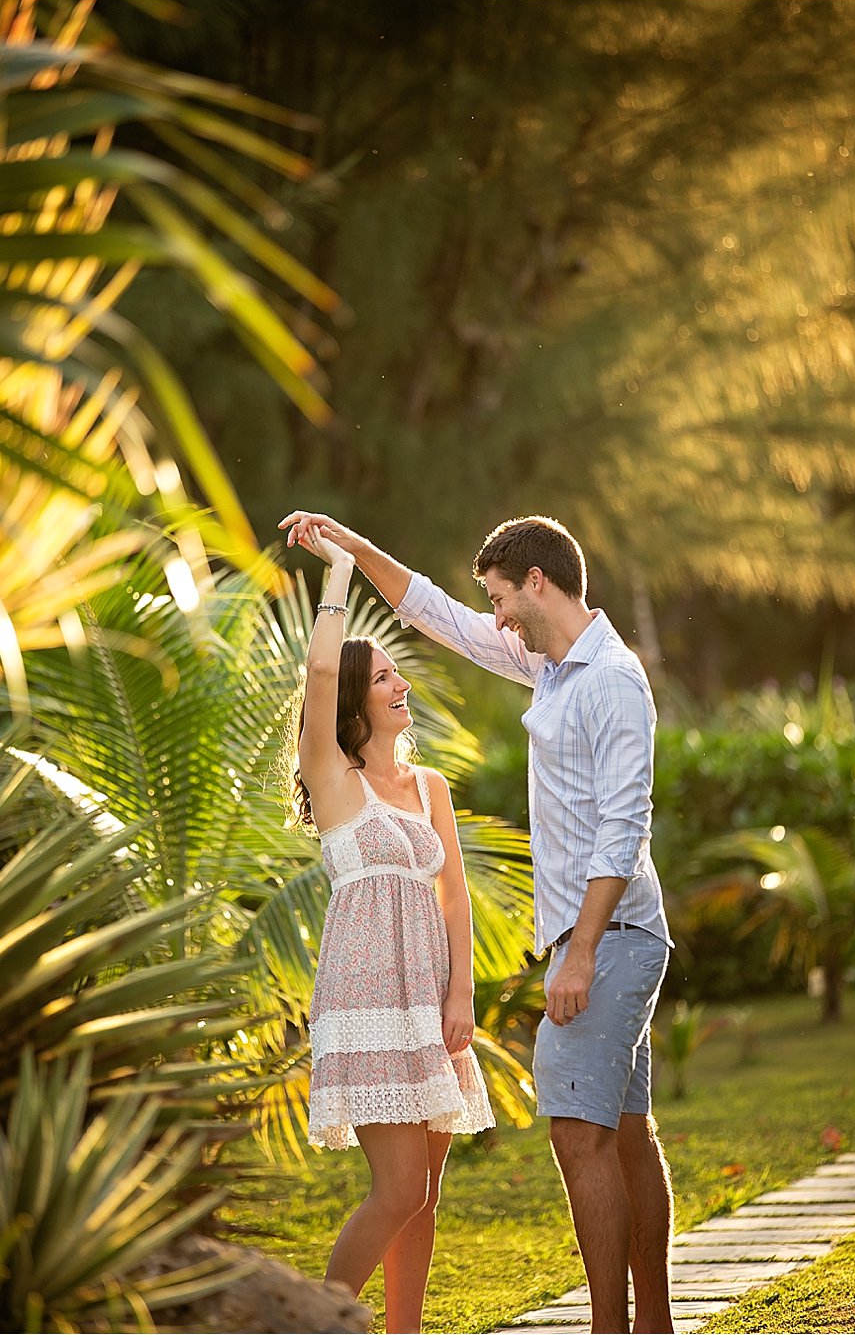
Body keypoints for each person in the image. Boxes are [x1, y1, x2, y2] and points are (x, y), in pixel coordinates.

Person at [280, 508, 675, 1335]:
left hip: (602, 936)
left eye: (500, 596)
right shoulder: (551, 665)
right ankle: (652, 1324)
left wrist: (574, 954)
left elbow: (623, 825)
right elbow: (435, 612)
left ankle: (617, 1328)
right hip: (520, 952)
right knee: (626, 1131)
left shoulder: (607, 678)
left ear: (537, 583)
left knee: (574, 1130)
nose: (494, 616)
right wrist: (351, 553)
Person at [289, 524, 494, 1332]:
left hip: (429, 1001)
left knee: (427, 1192)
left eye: (395, 670)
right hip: (367, 996)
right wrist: (341, 571)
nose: (399, 683)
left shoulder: (430, 784)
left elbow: (455, 897)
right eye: (380, 677)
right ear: (353, 699)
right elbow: (315, 669)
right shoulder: (334, 778)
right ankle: (319, 1323)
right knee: (399, 1184)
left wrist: (461, 996)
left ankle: (405, 1332)